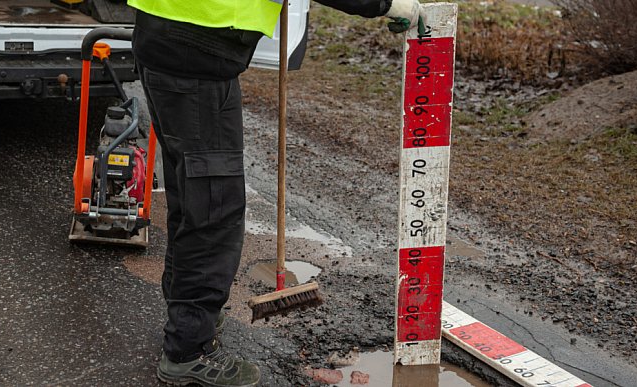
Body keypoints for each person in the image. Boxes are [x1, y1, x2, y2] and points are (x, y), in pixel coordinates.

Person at [125, 0, 422, 385]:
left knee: (191, 198)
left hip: (165, 37)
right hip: (197, 54)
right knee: (213, 210)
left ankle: (190, 315)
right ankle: (189, 349)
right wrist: (388, 4)